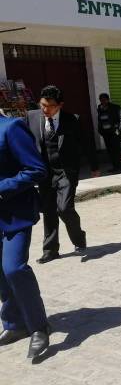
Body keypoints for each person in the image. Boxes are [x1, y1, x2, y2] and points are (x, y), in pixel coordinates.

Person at [26, 85, 99, 264]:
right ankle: (50, 250)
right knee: (49, 210)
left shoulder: (72, 119)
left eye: (50, 106)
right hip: (44, 173)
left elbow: (86, 142)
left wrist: (94, 165)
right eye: (43, 105)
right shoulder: (31, 117)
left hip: (66, 172)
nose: (45, 109)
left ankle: (78, 237)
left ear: (60, 105)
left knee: (64, 208)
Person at [0, 114, 51, 360]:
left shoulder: (11, 128)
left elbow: (36, 169)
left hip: (15, 214)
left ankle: (39, 327)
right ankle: (14, 323)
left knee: (14, 268)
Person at [96, 93, 121, 174]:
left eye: (104, 99)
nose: (103, 101)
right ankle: (114, 166)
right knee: (110, 151)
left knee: (116, 150)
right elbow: (100, 120)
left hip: (114, 133)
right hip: (106, 133)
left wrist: (119, 129)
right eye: (101, 100)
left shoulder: (115, 107)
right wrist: (100, 130)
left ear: (108, 99)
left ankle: (118, 167)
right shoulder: (100, 108)